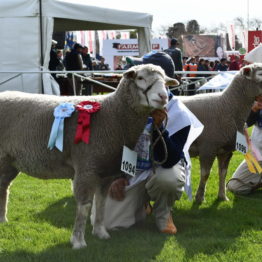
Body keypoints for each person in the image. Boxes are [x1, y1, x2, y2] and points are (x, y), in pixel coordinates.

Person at [91, 51, 203, 234]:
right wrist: (117, 176)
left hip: (162, 169)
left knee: (169, 179)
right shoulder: (129, 109)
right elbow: (120, 147)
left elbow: (170, 159)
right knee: (110, 222)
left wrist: (159, 128)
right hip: (133, 170)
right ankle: (141, 204)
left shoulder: (179, 115)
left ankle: (164, 212)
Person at [227, 95, 262, 195]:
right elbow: (240, 127)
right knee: (234, 186)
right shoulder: (257, 106)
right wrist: (253, 111)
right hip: (256, 156)